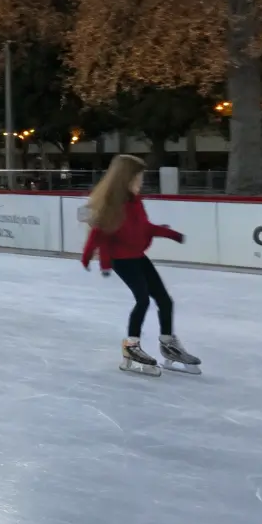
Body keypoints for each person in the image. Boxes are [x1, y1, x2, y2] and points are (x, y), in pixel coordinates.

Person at [82, 154, 201, 375]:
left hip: (137, 256)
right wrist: (89, 256)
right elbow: (99, 235)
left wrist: (170, 234)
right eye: (138, 178)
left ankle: (168, 345)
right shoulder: (112, 206)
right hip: (122, 260)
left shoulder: (135, 202)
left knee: (165, 300)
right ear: (126, 179)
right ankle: (131, 347)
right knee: (143, 300)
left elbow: (144, 228)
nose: (141, 182)